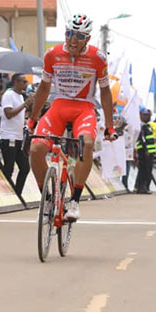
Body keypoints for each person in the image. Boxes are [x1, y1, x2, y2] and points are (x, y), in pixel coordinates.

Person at [28, 14, 117, 221]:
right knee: (36, 149)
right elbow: (43, 88)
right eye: (69, 34)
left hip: (84, 108)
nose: (73, 40)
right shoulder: (52, 55)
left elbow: (105, 93)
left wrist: (110, 127)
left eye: (78, 36)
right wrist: (32, 119)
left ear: (87, 38)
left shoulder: (98, 58)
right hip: (59, 106)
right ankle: (48, 199)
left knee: (86, 144)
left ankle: (74, 201)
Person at [0, 73, 32, 195]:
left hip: (19, 137)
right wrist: (25, 105)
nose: (26, 84)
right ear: (16, 82)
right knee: (9, 168)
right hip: (9, 136)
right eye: (23, 81)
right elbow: (8, 114)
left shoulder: (21, 97)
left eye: (26, 81)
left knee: (25, 168)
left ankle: (17, 194)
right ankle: (5, 194)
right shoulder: (9, 95)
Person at [134, 107, 156, 194]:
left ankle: (146, 187)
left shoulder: (148, 126)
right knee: (143, 170)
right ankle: (141, 188)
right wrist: (146, 149)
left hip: (150, 152)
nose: (147, 117)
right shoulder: (141, 126)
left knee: (148, 170)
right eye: (145, 115)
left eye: (148, 115)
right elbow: (142, 139)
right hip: (144, 152)